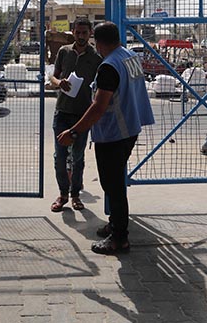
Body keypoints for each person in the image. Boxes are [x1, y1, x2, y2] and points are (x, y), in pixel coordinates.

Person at [57, 22, 154, 255]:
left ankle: (119, 238)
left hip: (114, 133)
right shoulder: (129, 56)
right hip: (130, 127)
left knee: (113, 186)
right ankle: (115, 225)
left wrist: (74, 132)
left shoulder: (108, 66)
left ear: (98, 42)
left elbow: (99, 107)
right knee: (114, 183)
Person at [48, 18, 101, 212]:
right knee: (60, 157)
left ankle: (75, 194)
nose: (80, 36)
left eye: (84, 33)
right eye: (77, 32)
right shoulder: (64, 52)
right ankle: (63, 194)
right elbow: (53, 76)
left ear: (90, 33)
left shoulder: (96, 57)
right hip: (62, 112)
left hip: (82, 115)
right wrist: (59, 82)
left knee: (78, 157)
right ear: (73, 32)